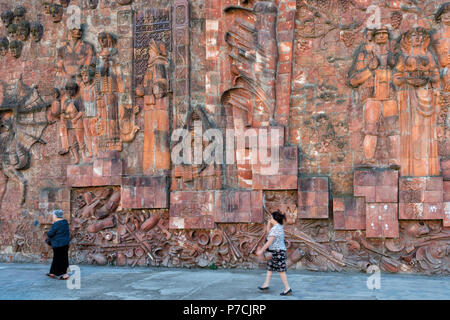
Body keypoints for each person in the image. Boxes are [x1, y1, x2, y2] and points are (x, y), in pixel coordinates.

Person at [256, 211, 292, 296]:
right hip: (275, 251)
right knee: (270, 267)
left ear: (274, 219)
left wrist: (261, 250)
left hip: (278, 252)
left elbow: (269, 242)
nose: (270, 219)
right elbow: (269, 233)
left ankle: (287, 288)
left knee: (281, 270)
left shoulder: (276, 228)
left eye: (271, 218)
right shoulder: (277, 227)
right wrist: (269, 223)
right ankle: (266, 284)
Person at [45, 210, 71, 280]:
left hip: (58, 244)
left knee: (58, 258)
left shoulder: (56, 224)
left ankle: (65, 275)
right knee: (62, 258)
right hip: (65, 243)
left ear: (56, 216)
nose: (52, 217)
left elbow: (50, 234)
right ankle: (52, 273)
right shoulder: (65, 222)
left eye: (53, 215)